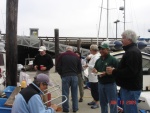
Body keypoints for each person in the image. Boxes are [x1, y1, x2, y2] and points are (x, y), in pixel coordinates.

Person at [106, 30, 143, 113]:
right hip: (129, 88)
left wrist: (114, 71)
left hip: (130, 89)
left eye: (123, 38)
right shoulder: (131, 51)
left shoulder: (132, 52)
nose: (121, 40)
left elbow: (131, 71)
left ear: (129, 39)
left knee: (130, 110)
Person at [92, 43, 119, 113]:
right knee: (103, 103)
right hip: (100, 84)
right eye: (100, 49)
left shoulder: (113, 60)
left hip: (110, 84)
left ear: (107, 49)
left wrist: (106, 73)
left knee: (113, 103)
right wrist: (95, 70)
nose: (101, 50)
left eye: (103, 49)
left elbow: (119, 70)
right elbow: (95, 69)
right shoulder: (98, 60)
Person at [56, 46, 82, 113]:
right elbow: (80, 68)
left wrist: (61, 74)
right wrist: (76, 73)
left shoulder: (62, 55)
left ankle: (65, 109)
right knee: (75, 93)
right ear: (72, 50)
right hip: (74, 76)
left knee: (65, 93)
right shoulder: (76, 56)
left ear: (66, 50)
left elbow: (57, 66)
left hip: (65, 76)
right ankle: (75, 108)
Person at [84, 44, 100, 109]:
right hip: (92, 76)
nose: (89, 51)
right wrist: (88, 57)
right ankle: (94, 100)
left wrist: (88, 65)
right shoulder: (94, 55)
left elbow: (95, 66)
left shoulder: (96, 57)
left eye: (90, 50)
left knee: (95, 90)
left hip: (94, 76)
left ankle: (97, 102)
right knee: (92, 89)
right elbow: (90, 56)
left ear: (92, 50)